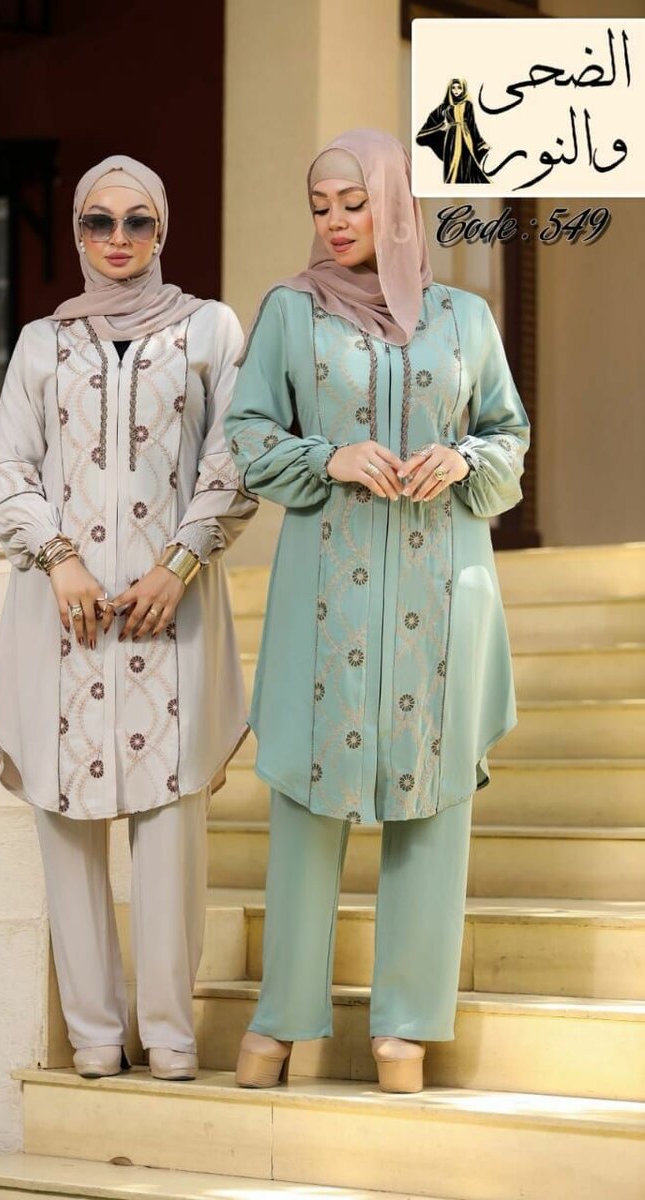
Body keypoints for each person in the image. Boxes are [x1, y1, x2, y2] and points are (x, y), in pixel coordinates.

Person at [224, 128, 529, 1093]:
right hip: (326, 590)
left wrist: (462, 459)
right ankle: (281, 1019)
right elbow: (246, 432)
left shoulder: (464, 317)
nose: (335, 221)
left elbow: (507, 437)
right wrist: (331, 457)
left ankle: (406, 1027)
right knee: (308, 798)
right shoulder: (291, 311)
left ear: (394, 203)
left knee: (431, 800)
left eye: (353, 203)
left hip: (444, 584)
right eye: (320, 205)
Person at [0, 155, 256, 1083]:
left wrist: (179, 566)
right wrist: (57, 559)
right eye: (98, 222)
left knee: (171, 824)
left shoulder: (209, 329)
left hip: (169, 610)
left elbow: (235, 461)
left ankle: (170, 1031)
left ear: (161, 231)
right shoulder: (41, 344)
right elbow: (7, 471)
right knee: (66, 823)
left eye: (138, 221)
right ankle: (94, 1030)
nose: (118, 239)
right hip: (64, 617)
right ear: (77, 233)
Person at [416, 78, 491, 184]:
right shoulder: (445, 106)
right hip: (451, 140)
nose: (456, 90)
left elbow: (472, 124)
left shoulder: (467, 104)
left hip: (465, 138)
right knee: (452, 165)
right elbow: (432, 119)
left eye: (459, 88)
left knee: (466, 163)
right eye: (453, 88)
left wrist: (481, 143)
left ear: (463, 89)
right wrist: (440, 127)